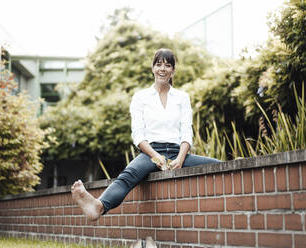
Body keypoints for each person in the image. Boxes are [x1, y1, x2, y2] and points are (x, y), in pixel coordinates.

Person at [71, 48, 221, 221]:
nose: (162, 69)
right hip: (150, 153)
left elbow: (187, 132)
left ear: (173, 70)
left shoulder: (182, 97)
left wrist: (180, 159)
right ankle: (98, 206)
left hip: (177, 153)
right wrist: (156, 157)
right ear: (152, 68)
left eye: (167, 65)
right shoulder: (141, 97)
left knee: (218, 166)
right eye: (158, 64)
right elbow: (138, 135)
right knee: (128, 176)